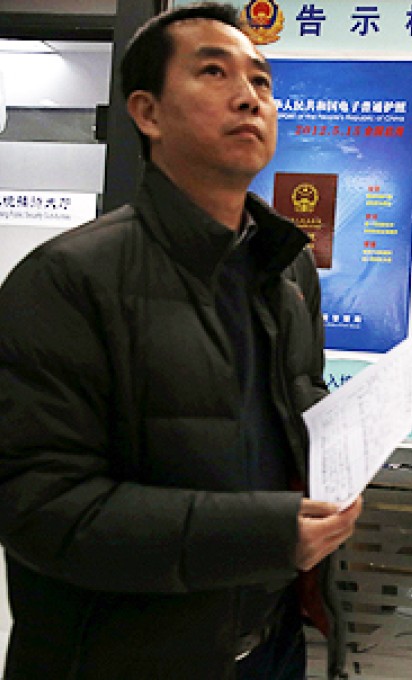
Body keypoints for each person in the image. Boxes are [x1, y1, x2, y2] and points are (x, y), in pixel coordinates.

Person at [0, 3, 362, 678]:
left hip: (275, 645)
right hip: (125, 660)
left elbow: (291, 423)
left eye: (261, 81)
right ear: (148, 113)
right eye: (214, 72)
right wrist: (267, 533)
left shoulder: (286, 269)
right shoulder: (67, 280)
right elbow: (41, 509)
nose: (249, 97)